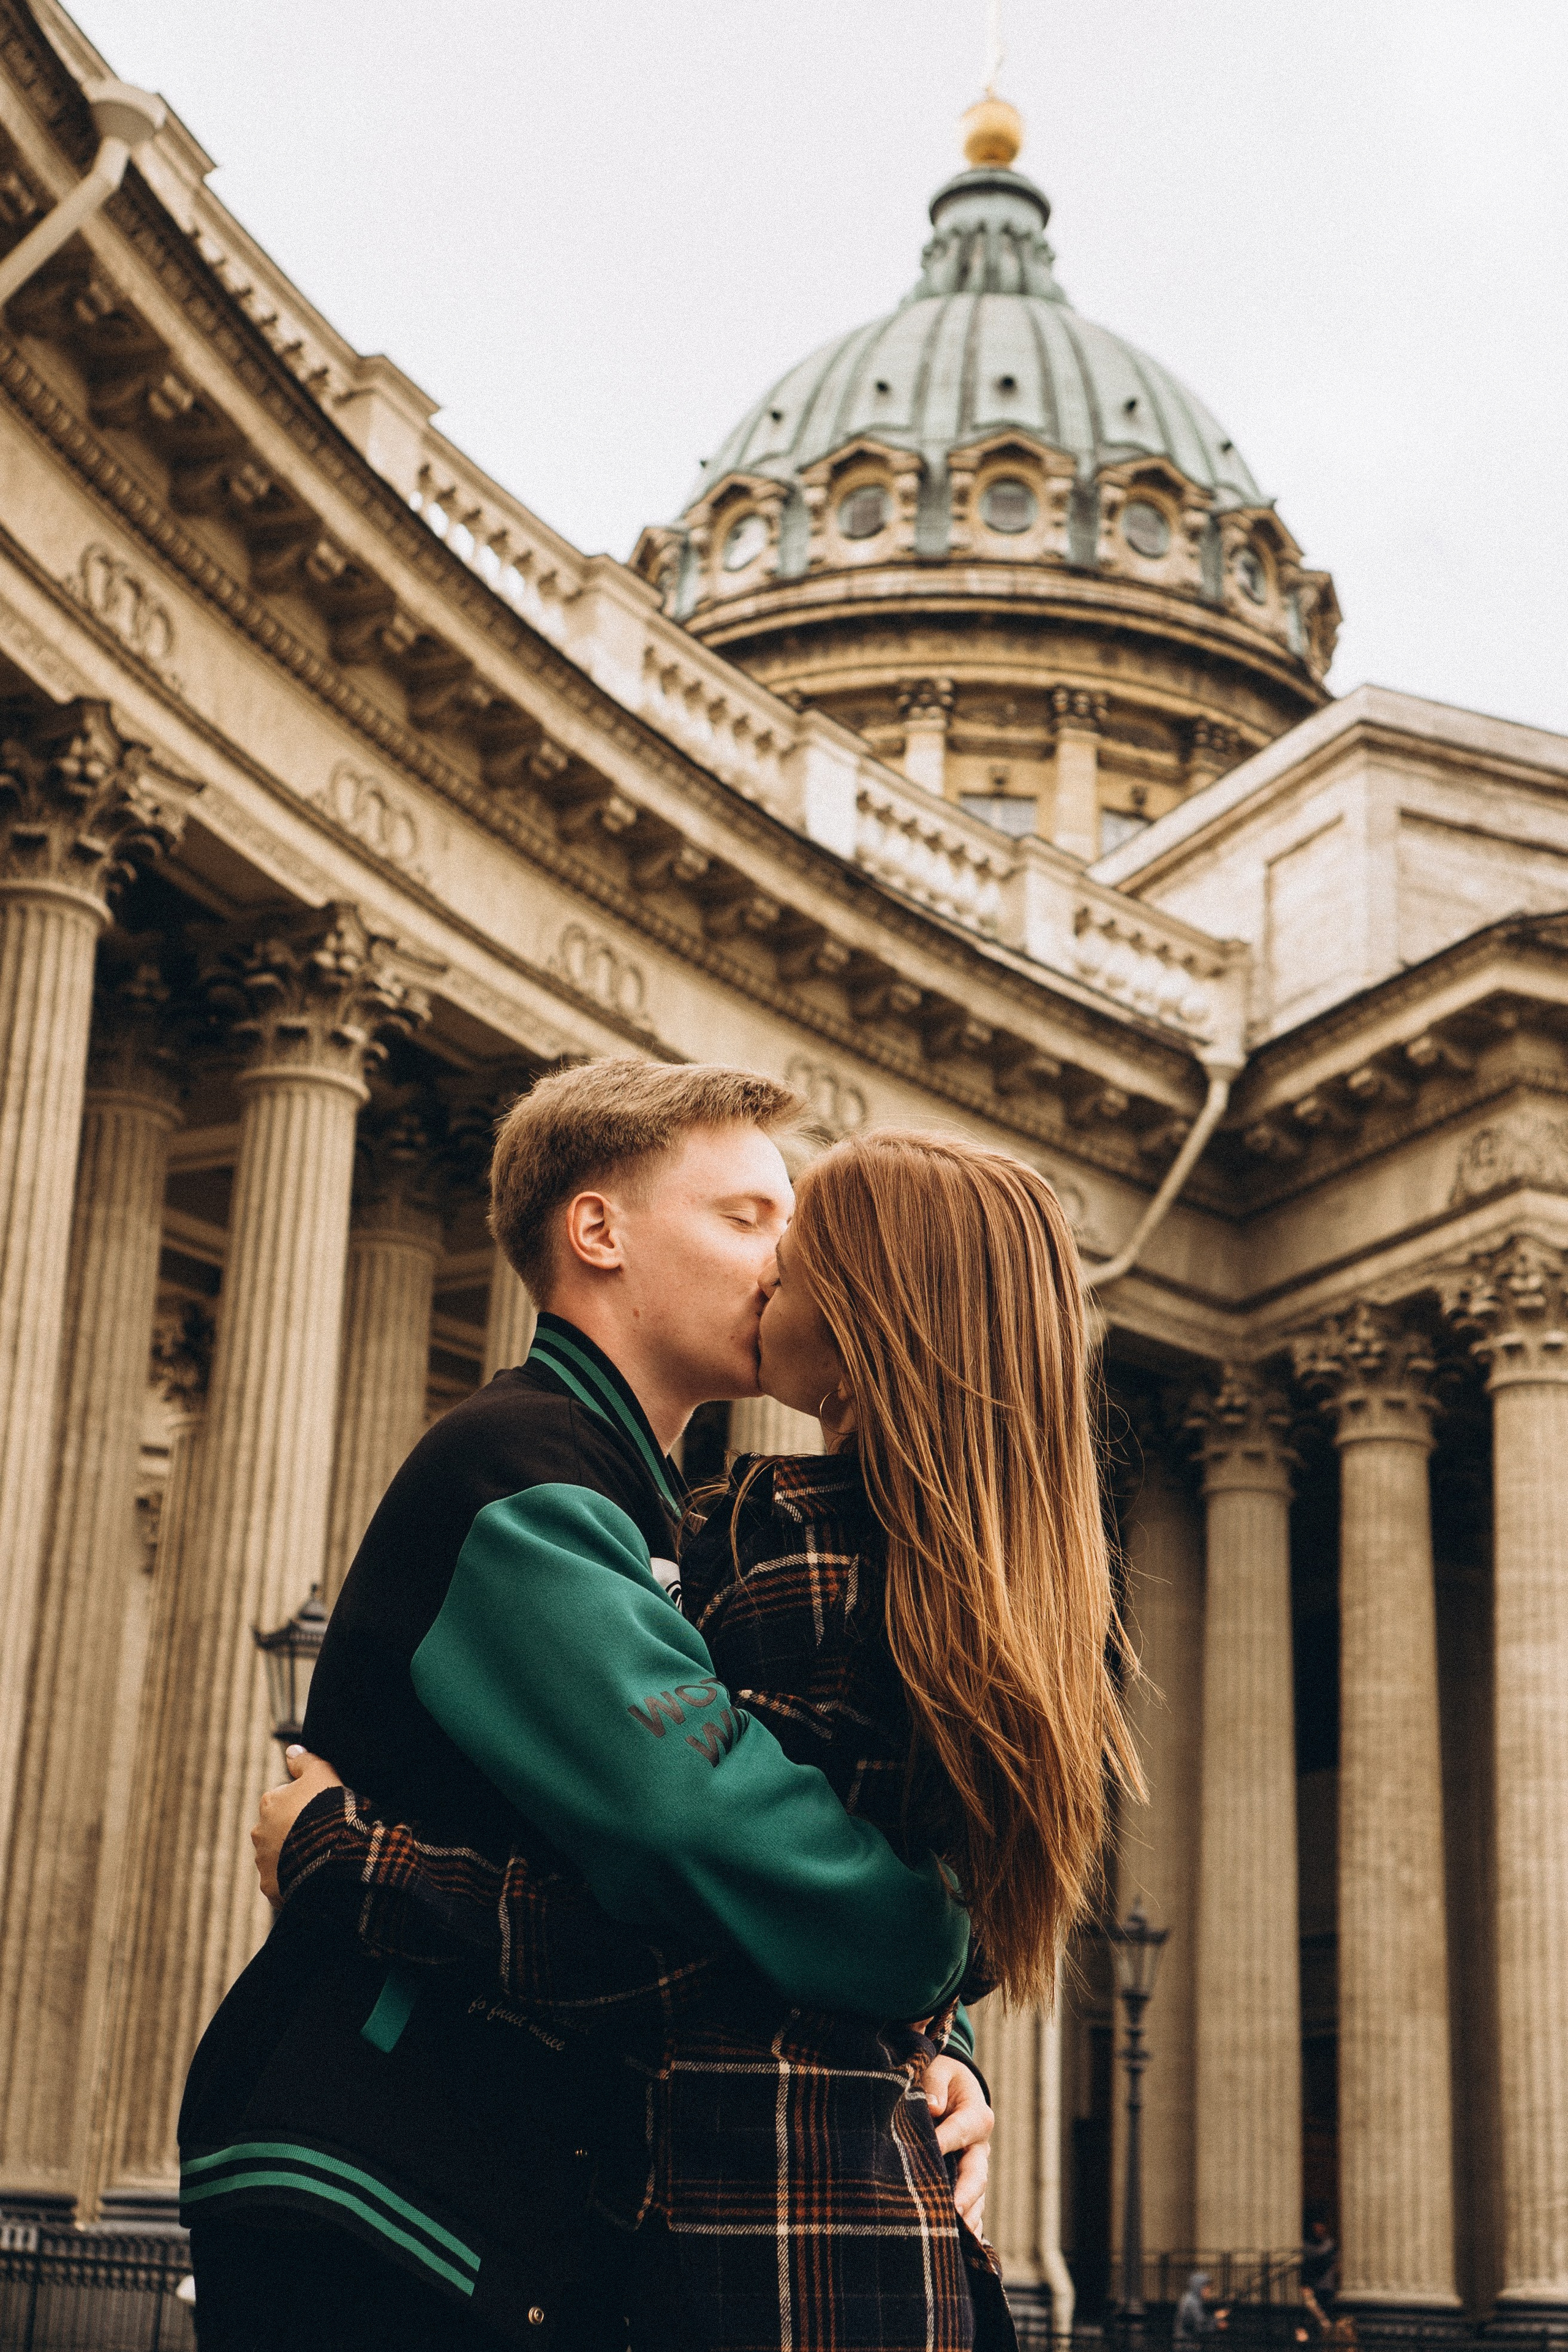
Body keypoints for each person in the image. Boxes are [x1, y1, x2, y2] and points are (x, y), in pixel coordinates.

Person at [254, 1127, 1142, 2351]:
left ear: (871, 1307)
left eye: (796, 1232)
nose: (771, 1264)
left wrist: (342, 1861)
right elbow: (871, 1866)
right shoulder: (973, 1583)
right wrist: (938, 2023)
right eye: (745, 1219)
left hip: (752, 2237)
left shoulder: (800, 1558)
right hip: (872, 2234)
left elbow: (691, 1934)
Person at [1174, 2273, 1229, 2346]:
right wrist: (1216, 2319)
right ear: (1198, 2287)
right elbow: (1199, 2327)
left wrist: (1216, 2320)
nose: (1208, 2291)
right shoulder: (1192, 2302)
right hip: (1187, 2345)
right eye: (1206, 2288)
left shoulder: (1192, 2300)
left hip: (1186, 2344)